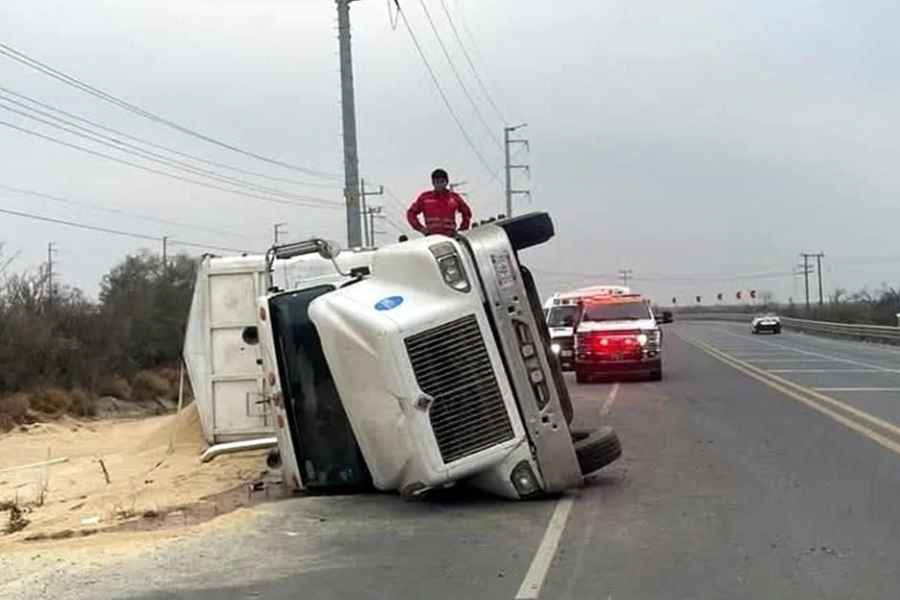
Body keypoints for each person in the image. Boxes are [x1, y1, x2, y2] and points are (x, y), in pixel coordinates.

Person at [406, 168, 472, 236]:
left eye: (442, 181)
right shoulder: (425, 198)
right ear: (433, 183)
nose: (439, 184)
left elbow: (466, 212)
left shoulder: (454, 198)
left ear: (446, 182)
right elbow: (411, 213)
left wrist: (462, 229)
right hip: (432, 236)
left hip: (450, 236)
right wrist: (421, 228)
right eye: (437, 182)